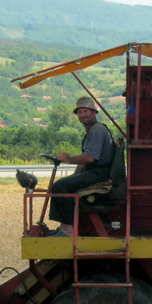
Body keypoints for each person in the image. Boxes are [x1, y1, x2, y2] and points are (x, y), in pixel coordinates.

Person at [48, 97, 113, 237]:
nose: (83, 115)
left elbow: (90, 158)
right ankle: (64, 226)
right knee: (63, 184)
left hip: (99, 173)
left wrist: (69, 159)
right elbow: (84, 162)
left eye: (86, 111)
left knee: (59, 187)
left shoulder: (97, 131)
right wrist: (74, 176)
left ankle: (68, 230)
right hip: (95, 171)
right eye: (80, 112)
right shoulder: (94, 130)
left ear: (94, 113)